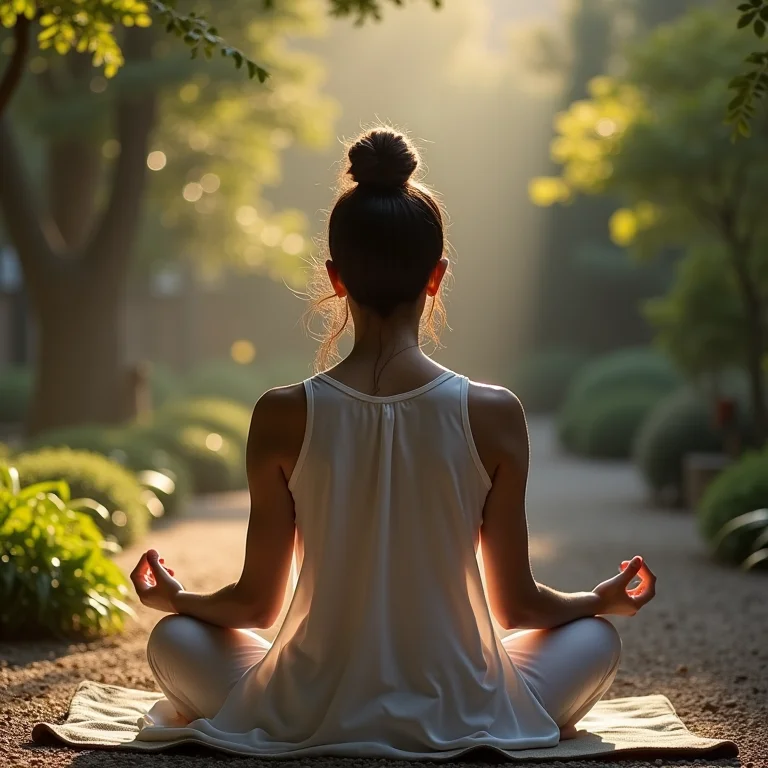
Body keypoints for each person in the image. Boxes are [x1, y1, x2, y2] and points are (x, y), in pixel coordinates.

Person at [130, 127, 657, 759]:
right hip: (468, 703)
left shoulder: (281, 413)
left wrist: (175, 598)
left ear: (335, 277)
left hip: (306, 707)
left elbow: (256, 604)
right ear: (437, 277)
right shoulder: (493, 413)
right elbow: (517, 606)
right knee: (597, 639)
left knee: (171, 639)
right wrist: (598, 600)